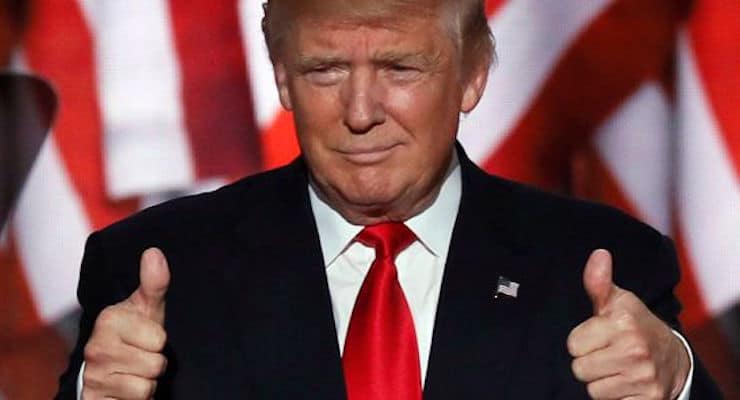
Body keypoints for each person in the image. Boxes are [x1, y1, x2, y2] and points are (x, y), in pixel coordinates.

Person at [56, 0, 722, 399]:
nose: (360, 112)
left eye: (400, 69)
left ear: (473, 75)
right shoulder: (156, 271)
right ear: (283, 79)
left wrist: (677, 384)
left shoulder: (600, 266)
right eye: (326, 70)